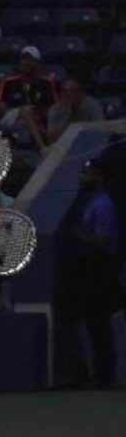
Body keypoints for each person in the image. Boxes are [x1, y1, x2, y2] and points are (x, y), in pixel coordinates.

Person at [64, 160, 121, 388]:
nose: (82, 177)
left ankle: (104, 376)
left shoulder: (103, 204)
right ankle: (95, 373)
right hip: (87, 268)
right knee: (91, 322)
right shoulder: (89, 202)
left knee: (99, 323)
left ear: (98, 176)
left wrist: (76, 234)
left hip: (100, 269)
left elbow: (103, 239)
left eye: (87, 173)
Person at [0, 46, 59, 157]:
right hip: (11, 118)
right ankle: (42, 148)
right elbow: (2, 108)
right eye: (24, 59)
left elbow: (54, 107)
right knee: (27, 111)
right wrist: (20, 116)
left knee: (31, 114)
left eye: (31, 60)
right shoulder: (8, 82)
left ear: (38, 62)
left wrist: (38, 115)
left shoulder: (47, 82)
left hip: (37, 117)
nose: (27, 63)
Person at [46, 76, 105, 145]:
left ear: (80, 93)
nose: (68, 94)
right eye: (64, 91)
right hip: (64, 145)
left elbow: (101, 132)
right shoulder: (55, 109)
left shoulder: (92, 106)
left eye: (72, 90)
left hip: (87, 143)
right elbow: (50, 140)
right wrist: (67, 118)